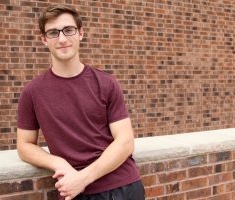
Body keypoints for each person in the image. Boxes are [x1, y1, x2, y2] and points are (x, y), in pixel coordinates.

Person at [16, 4, 145, 200]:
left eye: (68, 30)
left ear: (80, 34)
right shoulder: (32, 92)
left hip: (123, 187)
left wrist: (82, 178)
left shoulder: (106, 83)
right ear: (44, 40)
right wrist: (58, 163)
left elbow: (125, 142)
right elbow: (25, 145)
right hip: (74, 192)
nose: (62, 39)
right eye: (53, 33)